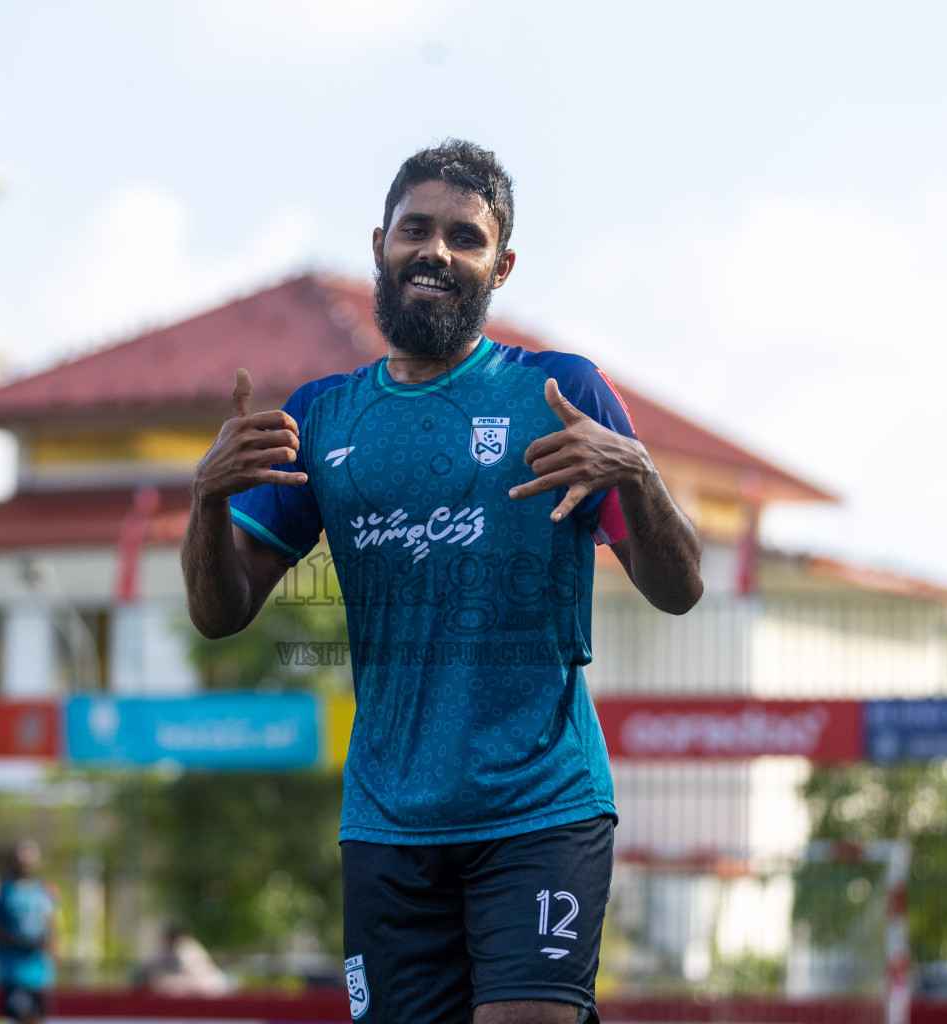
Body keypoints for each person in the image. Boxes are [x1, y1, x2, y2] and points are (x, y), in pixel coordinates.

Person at [182, 141, 702, 1024]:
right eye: (417, 229)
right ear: (381, 242)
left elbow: (678, 589)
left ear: (500, 266)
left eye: (465, 238)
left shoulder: (557, 391)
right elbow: (218, 612)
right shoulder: (321, 417)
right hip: (389, 820)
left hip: (542, 805)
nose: (436, 251)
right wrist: (206, 500)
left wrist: (639, 475)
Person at [0, 840, 61, 1024]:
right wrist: (16, 939)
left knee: (37, 1017)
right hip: (14, 971)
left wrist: (51, 947)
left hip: (39, 972)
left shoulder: (45, 890)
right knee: (18, 1016)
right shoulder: (5, 890)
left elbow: (53, 925)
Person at [135, 920, 231, 997]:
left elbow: (190, 978)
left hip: (211, 987)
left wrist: (163, 981)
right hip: (195, 990)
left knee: (168, 983)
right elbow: (154, 970)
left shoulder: (187, 948)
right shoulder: (164, 950)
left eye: (171, 937)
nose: (169, 941)